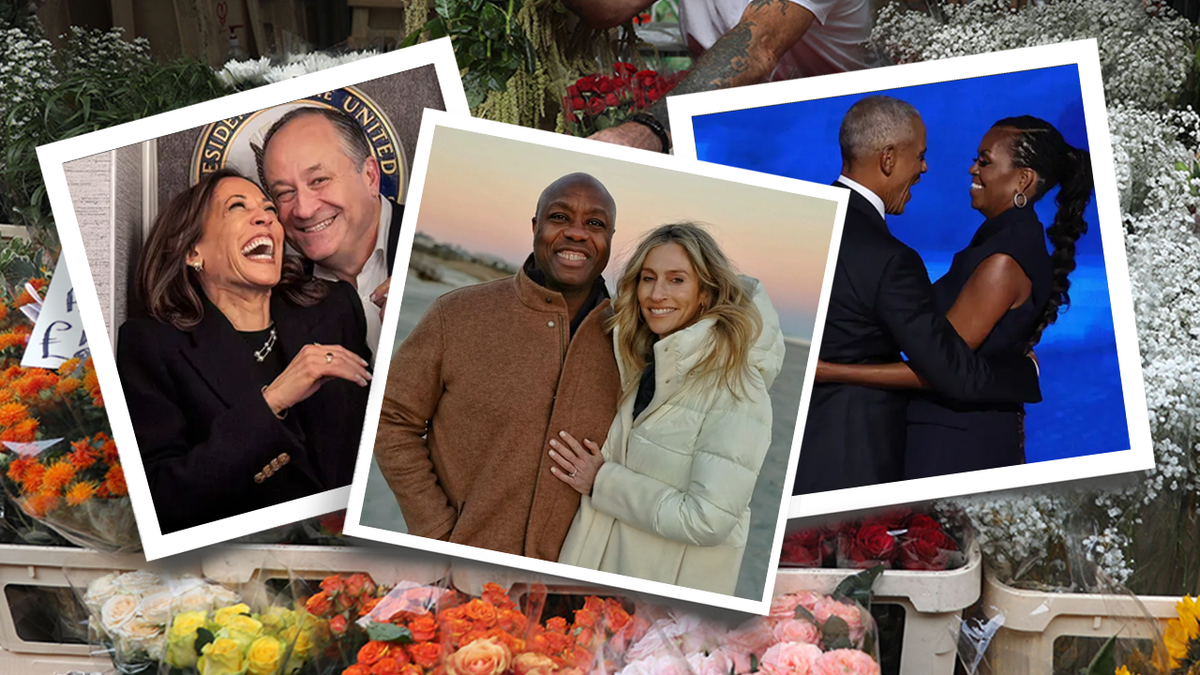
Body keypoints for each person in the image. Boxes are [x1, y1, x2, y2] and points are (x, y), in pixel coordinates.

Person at [815, 116, 1093, 478]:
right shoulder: (997, 246)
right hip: (951, 430)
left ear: (1022, 180)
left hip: (954, 443)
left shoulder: (1002, 261)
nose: (972, 168)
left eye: (985, 161)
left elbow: (943, 369)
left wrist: (829, 371)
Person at [374, 173, 623, 561]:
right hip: (457, 569)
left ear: (609, 240)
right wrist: (436, 530)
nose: (577, 233)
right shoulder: (457, 314)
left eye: (595, 223)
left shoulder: (631, 343)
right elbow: (390, 417)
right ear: (535, 227)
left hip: (575, 586)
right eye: (559, 217)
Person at [117, 169, 372, 534]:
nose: (265, 216)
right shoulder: (152, 346)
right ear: (193, 251)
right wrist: (272, 402)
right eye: (237, 207)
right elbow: (162, 500)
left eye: (269, 209)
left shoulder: (335, 309)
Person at [551, 223, 784, 595]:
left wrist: (602, 480)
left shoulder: (737, 387)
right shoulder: (645, 362)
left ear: (705, 293)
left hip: (660, 606)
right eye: (648, 278)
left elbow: (708, 520)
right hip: (600, 584)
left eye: (677, 280)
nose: (656, 294)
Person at [568, 0, 872, 152]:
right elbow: (607, 8)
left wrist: (650, 130)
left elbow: (757, 47)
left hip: (822, 134)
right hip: (724, 123)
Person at [259, 106, 405, 358]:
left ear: (370, 176)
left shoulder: (448, 239)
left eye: (319, 180)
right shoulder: (273, 305)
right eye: (284, 193)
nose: (304, 210)